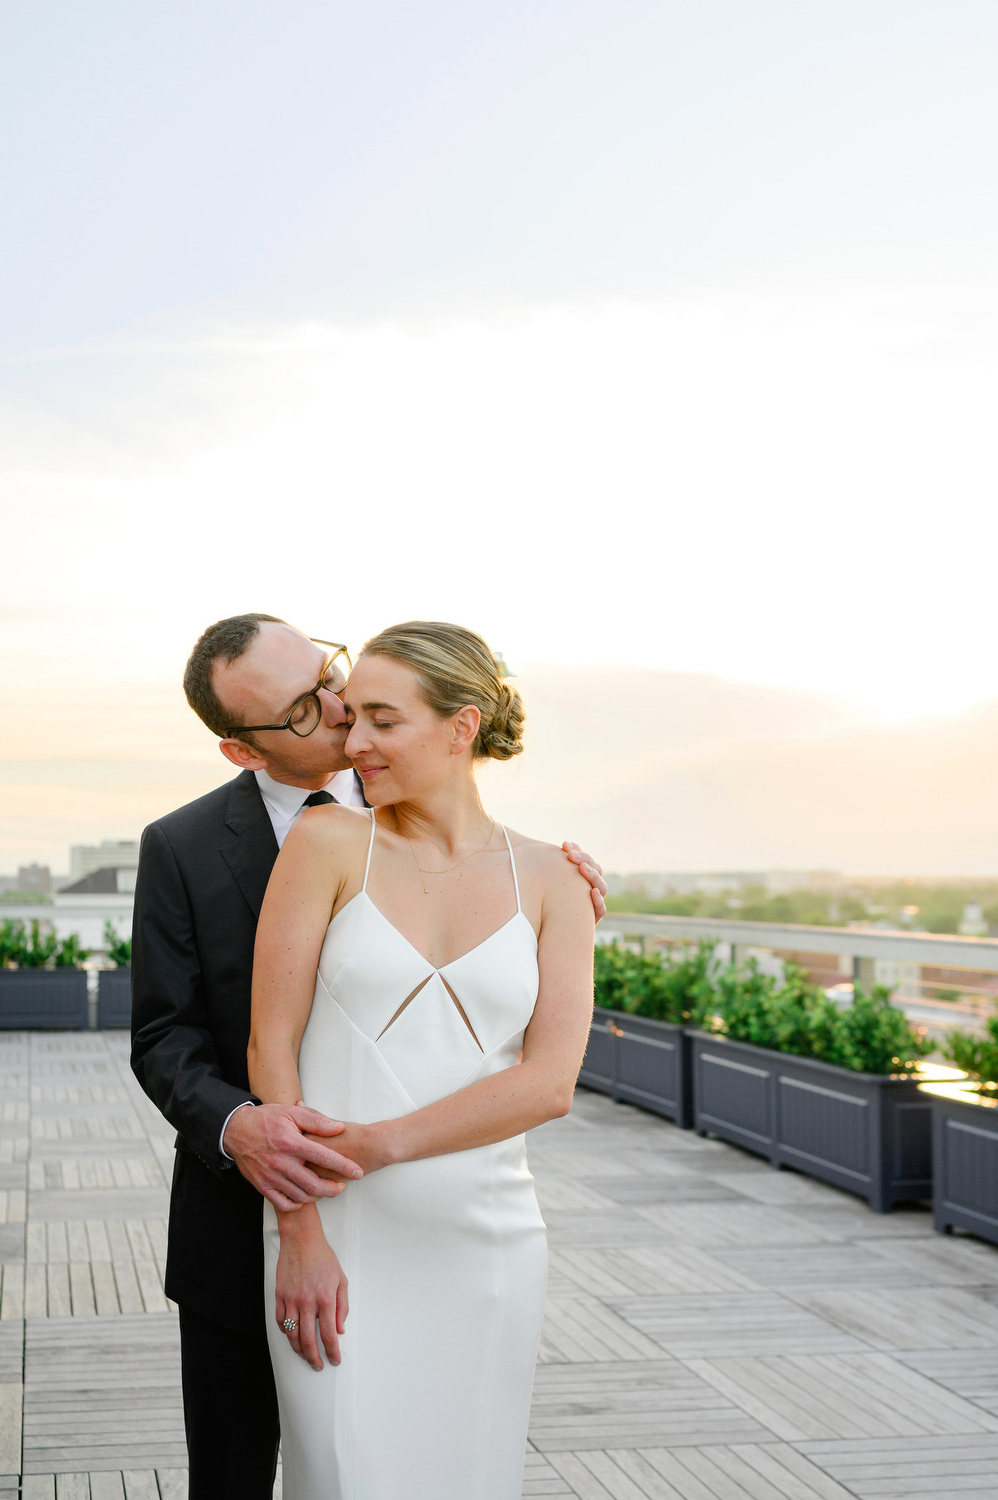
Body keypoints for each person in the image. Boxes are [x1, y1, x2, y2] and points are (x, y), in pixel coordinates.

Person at [130, 612, 606, 1500]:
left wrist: (554, 917)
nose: (341, 708)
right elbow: (166, 1038)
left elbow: (546, 1071)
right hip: (265, 1219)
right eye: (311, 709)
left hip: (472, 1225)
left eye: (331, 676)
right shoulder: (200, 846)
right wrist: (257, 1146)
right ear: (245, 751)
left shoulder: (541, 867)